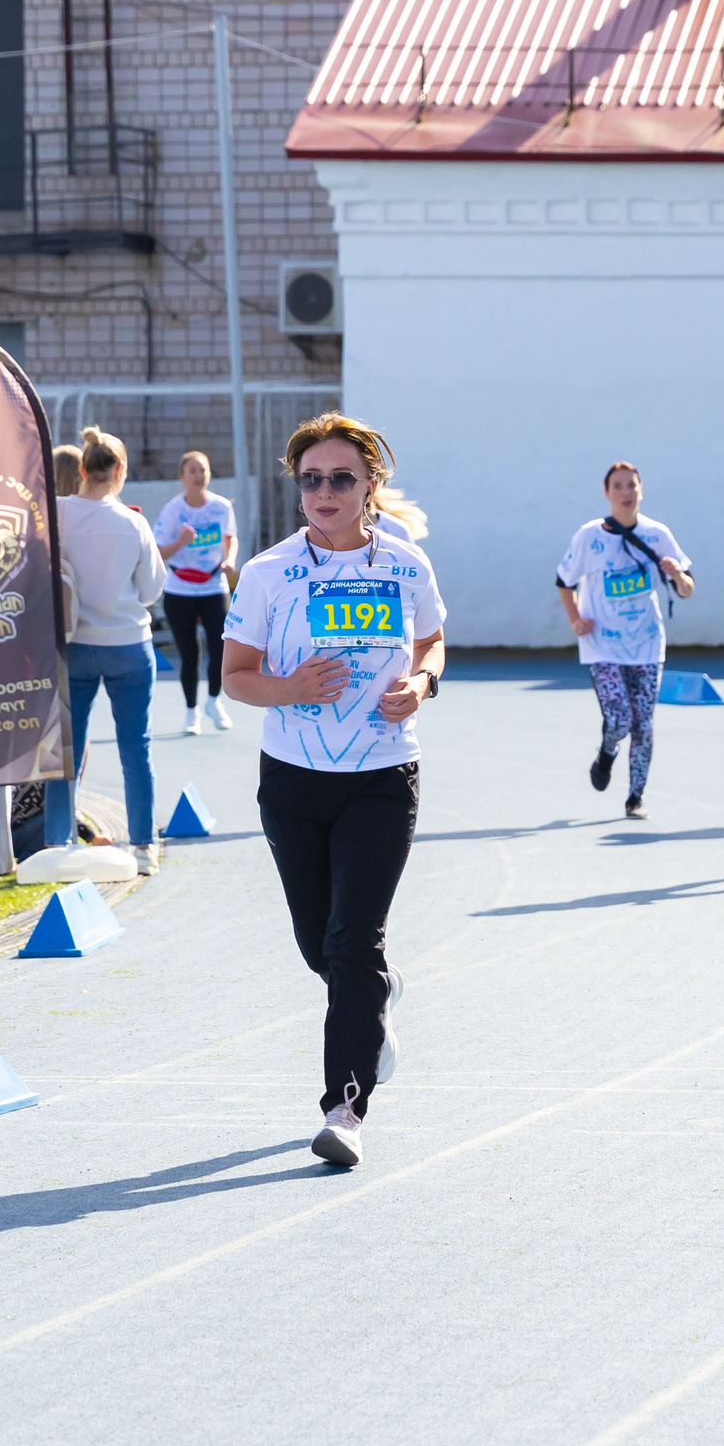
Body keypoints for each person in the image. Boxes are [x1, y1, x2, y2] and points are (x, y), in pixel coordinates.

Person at [222, 413, 443, 1169]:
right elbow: (236, 675)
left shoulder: (407, 567)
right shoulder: (268, 573)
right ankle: (370, 998)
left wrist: (422, 681)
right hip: (292, 781)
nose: (323, 491)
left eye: (340, 478)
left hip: (382, 777)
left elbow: (431, 639)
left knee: (352, 942)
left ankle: (343, 1107)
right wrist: (289, 687)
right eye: (311, 479)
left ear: (370, 486)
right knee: (319, 942)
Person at [52, 426, 165, 873]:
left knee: (67, 748)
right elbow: (151, 590)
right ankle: (143, 846)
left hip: (75, 643)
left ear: (82, 468)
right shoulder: (133, 522)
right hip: (128, 644)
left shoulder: (58, 513)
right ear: (120, 470)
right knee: (136, 747)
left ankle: (59, 840)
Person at [556, 461, 693, 818]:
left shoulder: (658, 534)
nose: (626, 493)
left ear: (641, 490)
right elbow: (564, 581)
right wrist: (575, 619)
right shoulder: (590, 536)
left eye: (631, 485)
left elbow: (687, 589)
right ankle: (607, 752)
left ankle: (635, 797)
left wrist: (678, 575)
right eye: (618, 486)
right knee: (619, 720)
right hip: (602, 644)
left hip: (646, 643)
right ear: (607, 493)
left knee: (643, 725)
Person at [154, 449, 238, 736]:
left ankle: (214, 701)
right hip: (180, 589)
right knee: (190, 653)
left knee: (221, 646)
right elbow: (158, 552)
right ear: (182, 476)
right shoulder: (172, 511)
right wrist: (181, 542)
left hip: (214, 586)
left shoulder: (222, 507)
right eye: (192, 470)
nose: (199, 476)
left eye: (203, 470)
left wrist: (229, 560)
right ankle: (192, 712)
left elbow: (230, 537)